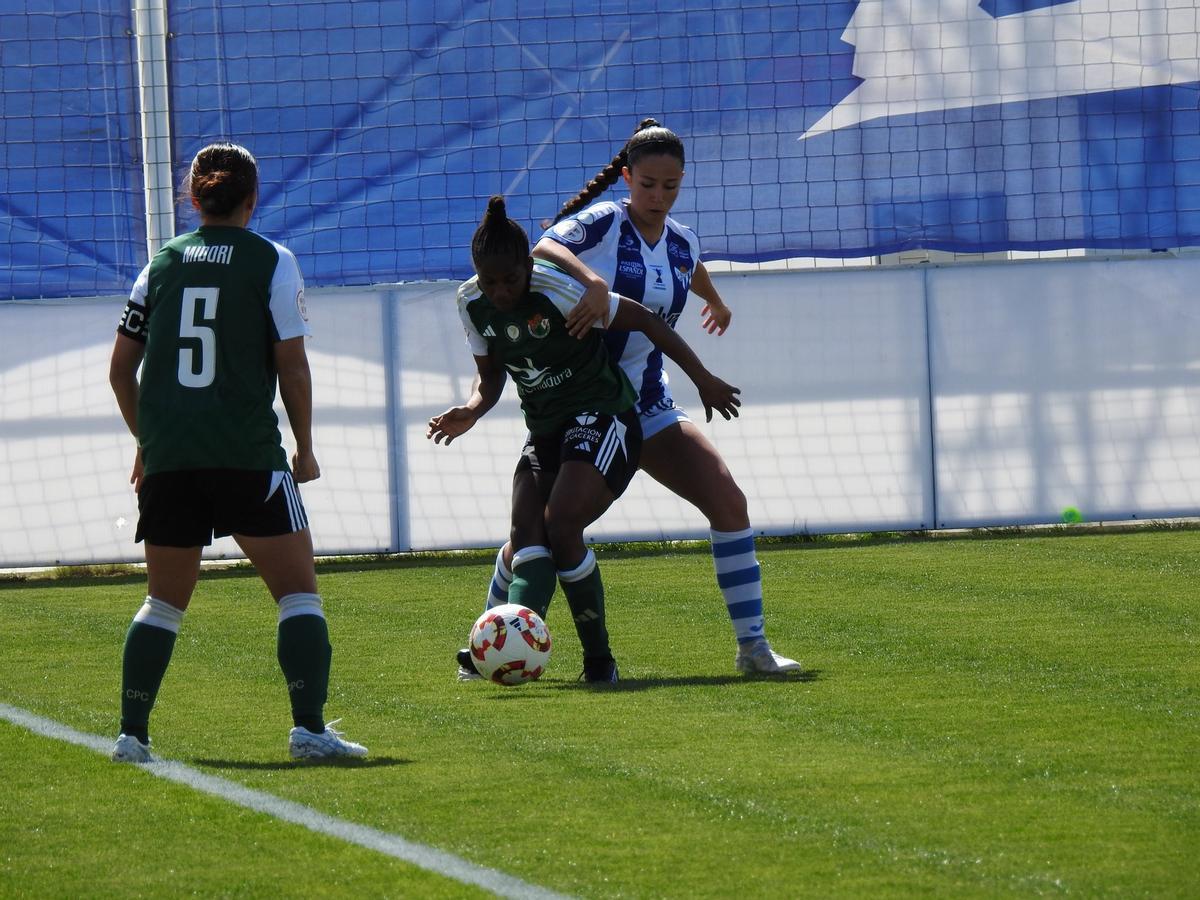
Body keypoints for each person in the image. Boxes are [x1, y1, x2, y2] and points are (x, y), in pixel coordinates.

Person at [480, 119, 801, 676]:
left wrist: (716, 301)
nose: (658, 196)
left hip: (646, 404)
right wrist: (595, 282)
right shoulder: (605, 222)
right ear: (627, 178)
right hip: (586, 404)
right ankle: (488, 638)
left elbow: (683, 265)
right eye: (648, 184)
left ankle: (754, 649)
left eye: (670, 186)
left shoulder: (682, 239)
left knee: (728, 502)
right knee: (546, 531)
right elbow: (546, 246)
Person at [107, 142, 366, 762]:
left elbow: (121, 372)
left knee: (163, 602)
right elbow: (293, 367)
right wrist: (305, 449)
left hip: (172, 459)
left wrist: (149, 444)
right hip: (248, 456)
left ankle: (131, 736)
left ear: (193, 199)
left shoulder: (160, 266)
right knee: (298, 594)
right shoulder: (273, 261)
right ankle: (308, 730)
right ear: (254, 199)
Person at [428, 195, 741, 683]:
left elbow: (645, 320)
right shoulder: (471, 303)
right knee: (525, 534)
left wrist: (703, 377)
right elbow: (489, 379)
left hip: (606, 415)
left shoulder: (555, 288)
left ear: (527, 267)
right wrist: (470, 409)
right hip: (546, 429)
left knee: (562, 523)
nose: (502, 291)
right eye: (491, 281)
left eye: (511, 279)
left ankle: (599, 662)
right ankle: (501, 646)